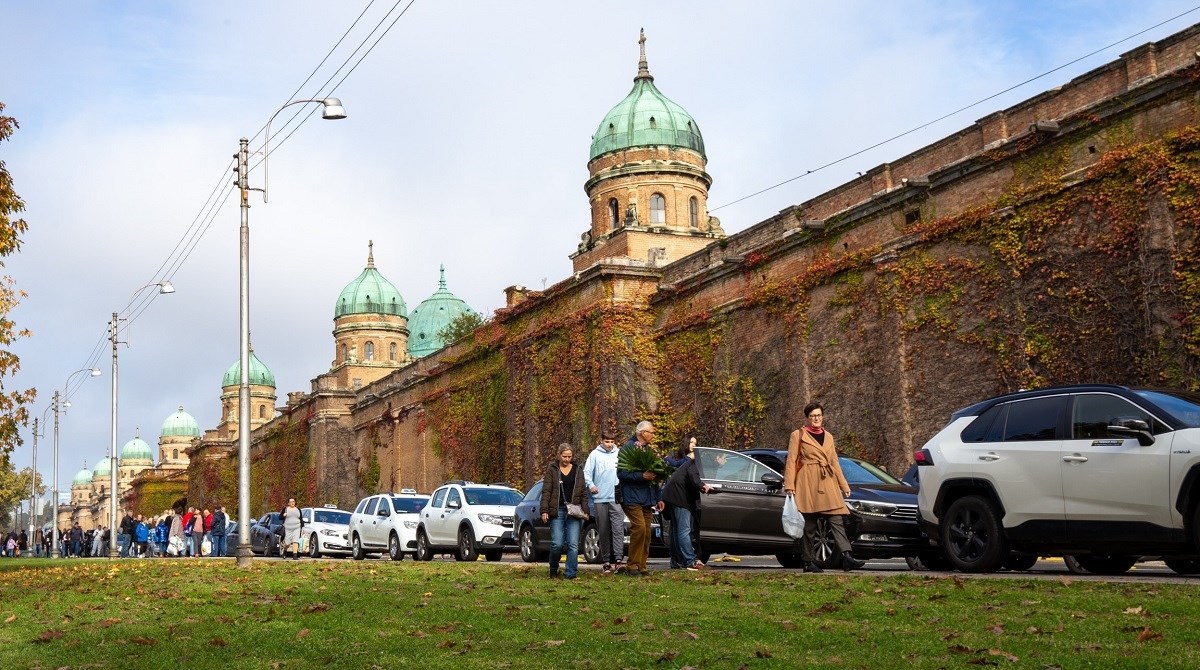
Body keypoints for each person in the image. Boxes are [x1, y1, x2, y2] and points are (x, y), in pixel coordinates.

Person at [783, 401, 865, 573]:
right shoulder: (798, 435)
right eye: (812, 416)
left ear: (823, 416)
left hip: (827, 480)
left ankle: (847, 556)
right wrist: (789, 484)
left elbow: (834, 461)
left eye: (819, 415)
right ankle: (807, 562)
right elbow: (791, 460)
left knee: (837, 520)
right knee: (810, 525)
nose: (816, 418)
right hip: (808, 481)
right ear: (807, 418)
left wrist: (844, 484)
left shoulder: (828, 436)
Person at [616, 420, 664, 576]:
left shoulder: (648, 450)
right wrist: (641, 476)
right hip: (631, 496)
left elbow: (654, 476)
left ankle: (641, 565)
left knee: (647, 532)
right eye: (651, 432)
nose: (653, 435)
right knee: (640, 528)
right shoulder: (627, 449)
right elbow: (621, 473)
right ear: (642, 433)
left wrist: (659, 498)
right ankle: (632, 565)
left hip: (647, 497)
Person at [539, 443, 588, 579]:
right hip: (557, 510)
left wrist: (585, 509)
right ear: (559, 455)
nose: (567, 459)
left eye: (569, 456)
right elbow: (546, 491)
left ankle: (570, 574)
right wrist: (544, 510)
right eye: (564, 456)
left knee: (573, 544)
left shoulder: (578, 469)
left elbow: (583, 491)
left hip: (574, 510)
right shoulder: (552, 470)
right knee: (557, 544)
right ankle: (553, 569)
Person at [660, 446, 713, 570]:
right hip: (679, 497)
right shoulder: (698, 464)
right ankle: (690, 561)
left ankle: (676, 561)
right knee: (684, 530)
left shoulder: (698, 463)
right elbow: (692, 475)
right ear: (717, 458)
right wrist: (703, 486)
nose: (725, 461)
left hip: (674, 496)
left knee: (677, 531)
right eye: (724, 458)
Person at [584, 428, 624, 574]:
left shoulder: (619, 454)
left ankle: (618, 560)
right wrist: (591, 485)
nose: (609, 444)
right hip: (600, 497)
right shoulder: (594, 455)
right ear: (601, 441)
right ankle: (606, 561)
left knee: (618, 529)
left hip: (616, 498)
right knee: (604, 529)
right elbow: (586, 472)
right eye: (607, 441)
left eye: (612, 442)